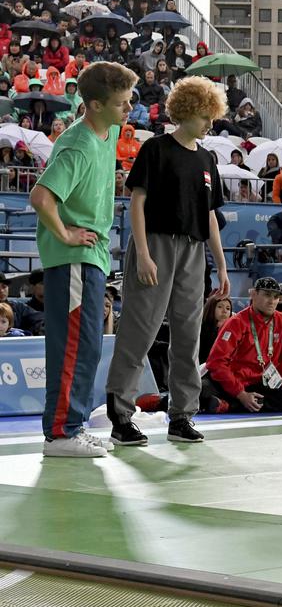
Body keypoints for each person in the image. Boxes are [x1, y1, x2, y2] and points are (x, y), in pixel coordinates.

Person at [104, 77, 231, 446]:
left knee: (188, 337)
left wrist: (221, 265)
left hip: (193, 252)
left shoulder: (207, 159)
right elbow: (137, 203)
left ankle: (182, 415)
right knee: (138, 332)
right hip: (156, 245)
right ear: (189, 110)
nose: (211, 123)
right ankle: (121, 416)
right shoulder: (156, 149)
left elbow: (209, 216)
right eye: (207, 115)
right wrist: (142, 252)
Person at [30, 61, 138, 457]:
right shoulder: (78, 145)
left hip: (91, 257)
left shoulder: (106, 132)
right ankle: (61, 432)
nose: (129, 110)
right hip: (74, 258)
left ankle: (69, 425)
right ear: (94, 105)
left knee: (88, 343)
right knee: (75, 344)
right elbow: (41, 197)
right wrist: (65, 234)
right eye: (121, 103)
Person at [204, 278, 282, 412]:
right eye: (267, 295)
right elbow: (216, 362)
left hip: (259, 384)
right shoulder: (236, 322)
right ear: (254, 294)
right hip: (231, 383)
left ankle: (227, 406)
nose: (272, 301)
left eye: (276, 297)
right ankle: (233, 403)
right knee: (200, 389)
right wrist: (241, 394)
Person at [199, 294, 233, 363]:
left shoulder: (233, 331)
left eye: (228, 308)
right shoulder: (201, 330)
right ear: (211, 308)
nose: (224, 311)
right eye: (220, 307)